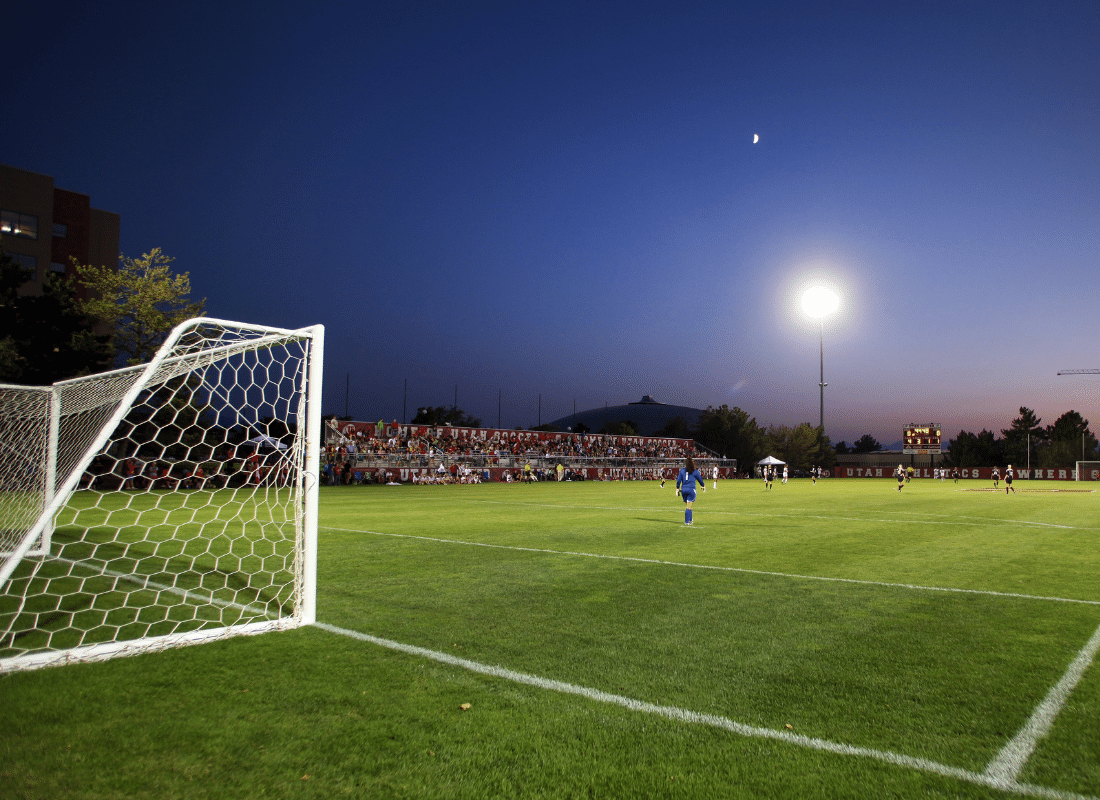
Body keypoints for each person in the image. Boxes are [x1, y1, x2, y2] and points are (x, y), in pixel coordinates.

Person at [675, 456, 706, 525]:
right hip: (691, 490)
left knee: (688, 506)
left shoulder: (682, 471)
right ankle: (686, 521)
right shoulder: (695, 471)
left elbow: (678, 481)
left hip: (683, 490)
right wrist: (703, 486)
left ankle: (690, 519)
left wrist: (677, 488)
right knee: (689, 506)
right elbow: (700, 479)